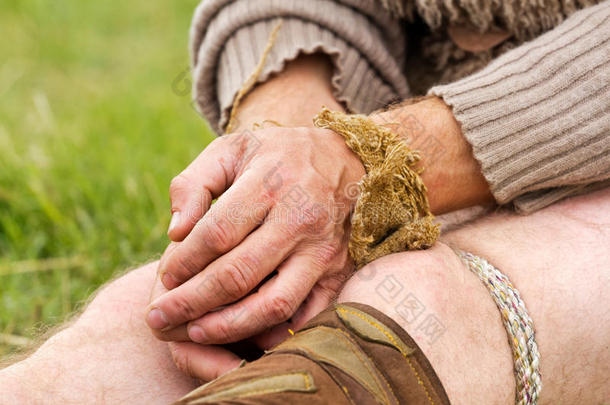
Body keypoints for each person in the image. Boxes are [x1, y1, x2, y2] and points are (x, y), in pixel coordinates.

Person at [1, 1, 608, 403]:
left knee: (415, 311)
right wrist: (284, 137)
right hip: (416, 144)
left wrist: (374, 160)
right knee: (159, 321)